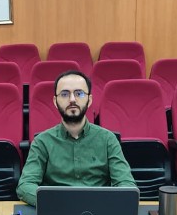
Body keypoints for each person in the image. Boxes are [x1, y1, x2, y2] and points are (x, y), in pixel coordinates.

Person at [16, 70, 136, 206]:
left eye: (79, 93)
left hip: (98, 211)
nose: (72, 99)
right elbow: (25, 186)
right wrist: (59, 204)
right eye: (64, 94)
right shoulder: (42, 142)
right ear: (55, 101)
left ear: (89, 100)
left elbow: (126, 185)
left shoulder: (108, 139)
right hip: (56, 212)